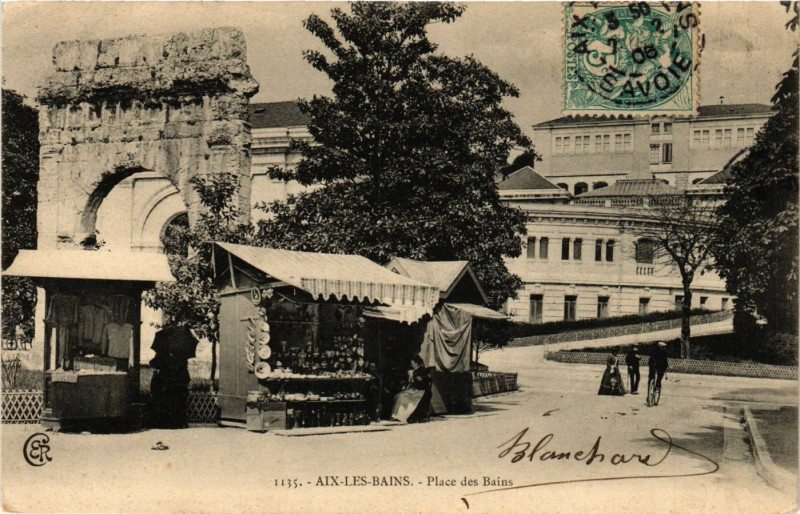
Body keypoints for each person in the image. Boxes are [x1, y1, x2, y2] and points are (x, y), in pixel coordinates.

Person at [391, 355, 432, 422]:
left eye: (412, 363)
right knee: (399, 395)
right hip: (413, 389)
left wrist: (414, 377)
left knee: (402, 396)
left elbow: (422, 381)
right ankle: (396, 415)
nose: (411, 365)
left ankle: (402, 416)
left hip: (419, 391)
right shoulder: (413, 370)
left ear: (416, 363)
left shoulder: (421, 370)